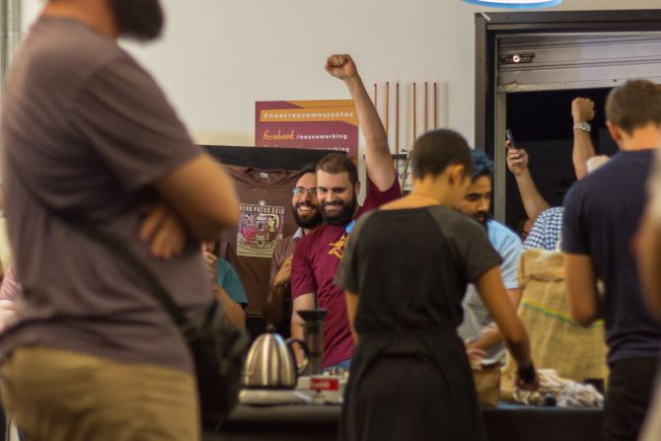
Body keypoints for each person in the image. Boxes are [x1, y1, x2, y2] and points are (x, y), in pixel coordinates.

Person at [0, 0, 240, 439]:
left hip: (87, 359)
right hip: (119, 366)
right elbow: (220, 205)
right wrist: (180, 199)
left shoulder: (43, 58)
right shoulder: (89, 64)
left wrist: (173, 202)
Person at [334, 129, 536, 441]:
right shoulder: (461, 230)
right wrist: (526, 371)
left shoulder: (363, 229)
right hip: (438, 381)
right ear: (457, 174)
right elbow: (511, 327)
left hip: (370, 383)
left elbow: (357, 327)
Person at [562, 79, 661, 441]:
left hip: (633, 365)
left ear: (613, 130)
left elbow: (583, 308)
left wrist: (622, 293)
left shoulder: (587, 194)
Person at [290, 54, 401, 369]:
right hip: (332, 365)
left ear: (355, 188)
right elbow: (302, 314)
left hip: (385, 358)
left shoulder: (377, 212)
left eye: (337, 191)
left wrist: (352, 81)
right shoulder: (307, 248)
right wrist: (303, 367)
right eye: (322, 191)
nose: (328, 199)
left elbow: (377, 147)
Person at [456, 149, 523, 361]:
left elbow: (508, 319)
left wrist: (461, 355)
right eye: (473, 197)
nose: (483, 206)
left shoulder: (504, 243)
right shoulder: (425, 236)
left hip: (488, 369)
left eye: (487, 196)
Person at [507, 97, 598, 250]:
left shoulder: (606, 216)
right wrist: (521, 173)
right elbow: (545, 220)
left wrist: (580, 120)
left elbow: (586, 173)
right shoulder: (559, 223)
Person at [264, 164, 321, 336]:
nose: (305, 198)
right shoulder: (282, 249)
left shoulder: (341, 243)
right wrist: (277, 286)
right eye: (299, 190)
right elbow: (272, 320)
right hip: (294, 345)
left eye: (314, 191)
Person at [203, 242, 247, 330]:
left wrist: (215, 287)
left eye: (208, 241)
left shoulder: (224, 268)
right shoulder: (171, 267)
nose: (204, 248)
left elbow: (239, 324)